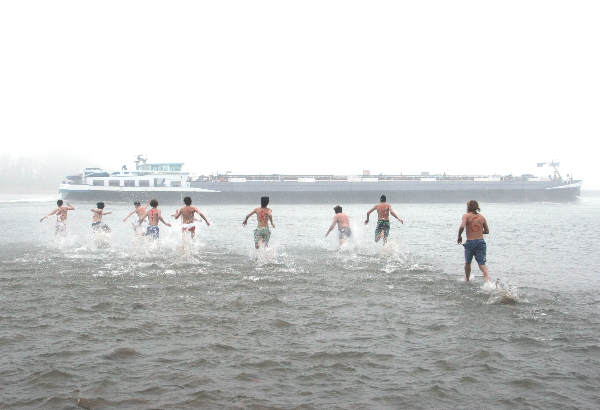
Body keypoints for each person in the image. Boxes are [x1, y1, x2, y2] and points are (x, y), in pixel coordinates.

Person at [457, 199, 490, 282]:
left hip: (470, 242)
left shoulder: (466, 216)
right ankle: (487, 281)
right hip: (480, 242)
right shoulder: (482, 217)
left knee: (468, 262)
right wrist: (478, 231)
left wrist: (459, 236)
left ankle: (467, 280)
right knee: (482, 264)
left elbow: (462, 226)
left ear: (468, 207)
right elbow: (487, 231)